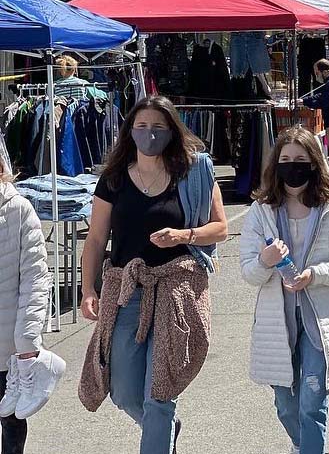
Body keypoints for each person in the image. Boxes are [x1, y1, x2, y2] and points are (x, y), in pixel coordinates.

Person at [79, 95, 228, 453]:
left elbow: (220, 228)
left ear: (172, 131)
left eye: (158, 128)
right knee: (126, 391)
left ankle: (158, 431)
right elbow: (97, 238)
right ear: (130, 131)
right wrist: (87, 289)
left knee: (159, 393)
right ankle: (163, 429)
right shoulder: (114, 179)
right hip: (127, 291)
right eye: (142, 126)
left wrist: (183, 235)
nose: (149, 134)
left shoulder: (194, 173)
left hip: (177, 292)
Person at [240, 127, 329, 454]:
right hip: (275, 322)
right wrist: (265, 261)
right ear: (275, 164)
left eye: (301, 159)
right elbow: (249, 273)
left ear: (315, 163)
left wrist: (315, 274)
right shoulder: (261, 211)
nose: (293, 166)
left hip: (318, 322)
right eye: (286, 159)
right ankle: (302, 444)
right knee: (286, 406)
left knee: (312, 399)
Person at [0, 154, 62, 454]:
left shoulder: (18, 209)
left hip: (7, 346)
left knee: (11, 421)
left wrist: (27, 338)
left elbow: (37, 276)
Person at [300, 59, 329, 196]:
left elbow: (323, 100)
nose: (316, 75)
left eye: (317, 72)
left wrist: (306, 101)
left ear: (325, 71)